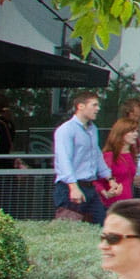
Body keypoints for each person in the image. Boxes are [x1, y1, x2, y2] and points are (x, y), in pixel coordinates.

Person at [51, 91, 111, 224]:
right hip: (70, 187)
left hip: (89, 187)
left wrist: (109, 178)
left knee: (102, 225)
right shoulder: (66, 129)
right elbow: (64, 160)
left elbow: (96, 155)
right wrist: (73, 187)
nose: (98, 109)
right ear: (80, 106)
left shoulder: (92, 129)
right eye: (94, 105)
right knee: (69, 231)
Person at [102, 98, 140, 207]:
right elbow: (98, 180)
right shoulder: (110, 156)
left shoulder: (130, 155)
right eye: (132, 131)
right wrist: (106, 193)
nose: (135, 134)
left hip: (127, 200)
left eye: (136, 131)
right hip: (113, 203)